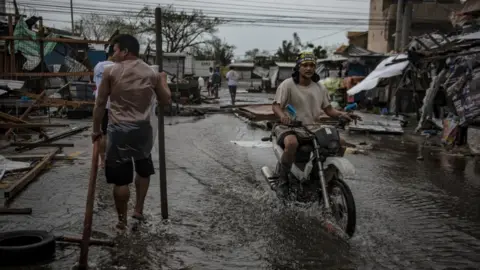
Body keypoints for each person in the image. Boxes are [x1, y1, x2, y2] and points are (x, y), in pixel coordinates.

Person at [92, 34, 171, 231]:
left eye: (116, 50)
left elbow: (100, 103)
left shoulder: (111, 72)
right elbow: (165, 100)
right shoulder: (151, 73)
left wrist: (95, 130)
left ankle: (122, 220)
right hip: (143, 129)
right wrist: (163, 80)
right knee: (143, 169)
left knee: (121, 179)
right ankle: (138, 210)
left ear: (125, 51)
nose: (114, 54)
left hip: (119, 130)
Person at [272, 52, 360, 198]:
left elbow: (329, 110)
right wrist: (283, 117)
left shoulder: (320, 87)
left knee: (340, 143)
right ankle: (283, 180)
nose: (308, 68)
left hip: (312, 127)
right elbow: (276, 106)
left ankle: (321, 179)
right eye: (305, 65)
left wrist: (343, 114)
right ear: (298, 67)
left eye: (312, 65)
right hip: (290, 126)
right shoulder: (288, 84)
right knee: (292, 143)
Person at [93, 45, 114, 169]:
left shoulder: (98, 66)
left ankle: (102, 161)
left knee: (102, 133)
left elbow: (96, 82)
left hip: (101, 104)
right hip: (115, 104)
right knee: (115, 133)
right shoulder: (117, 68)